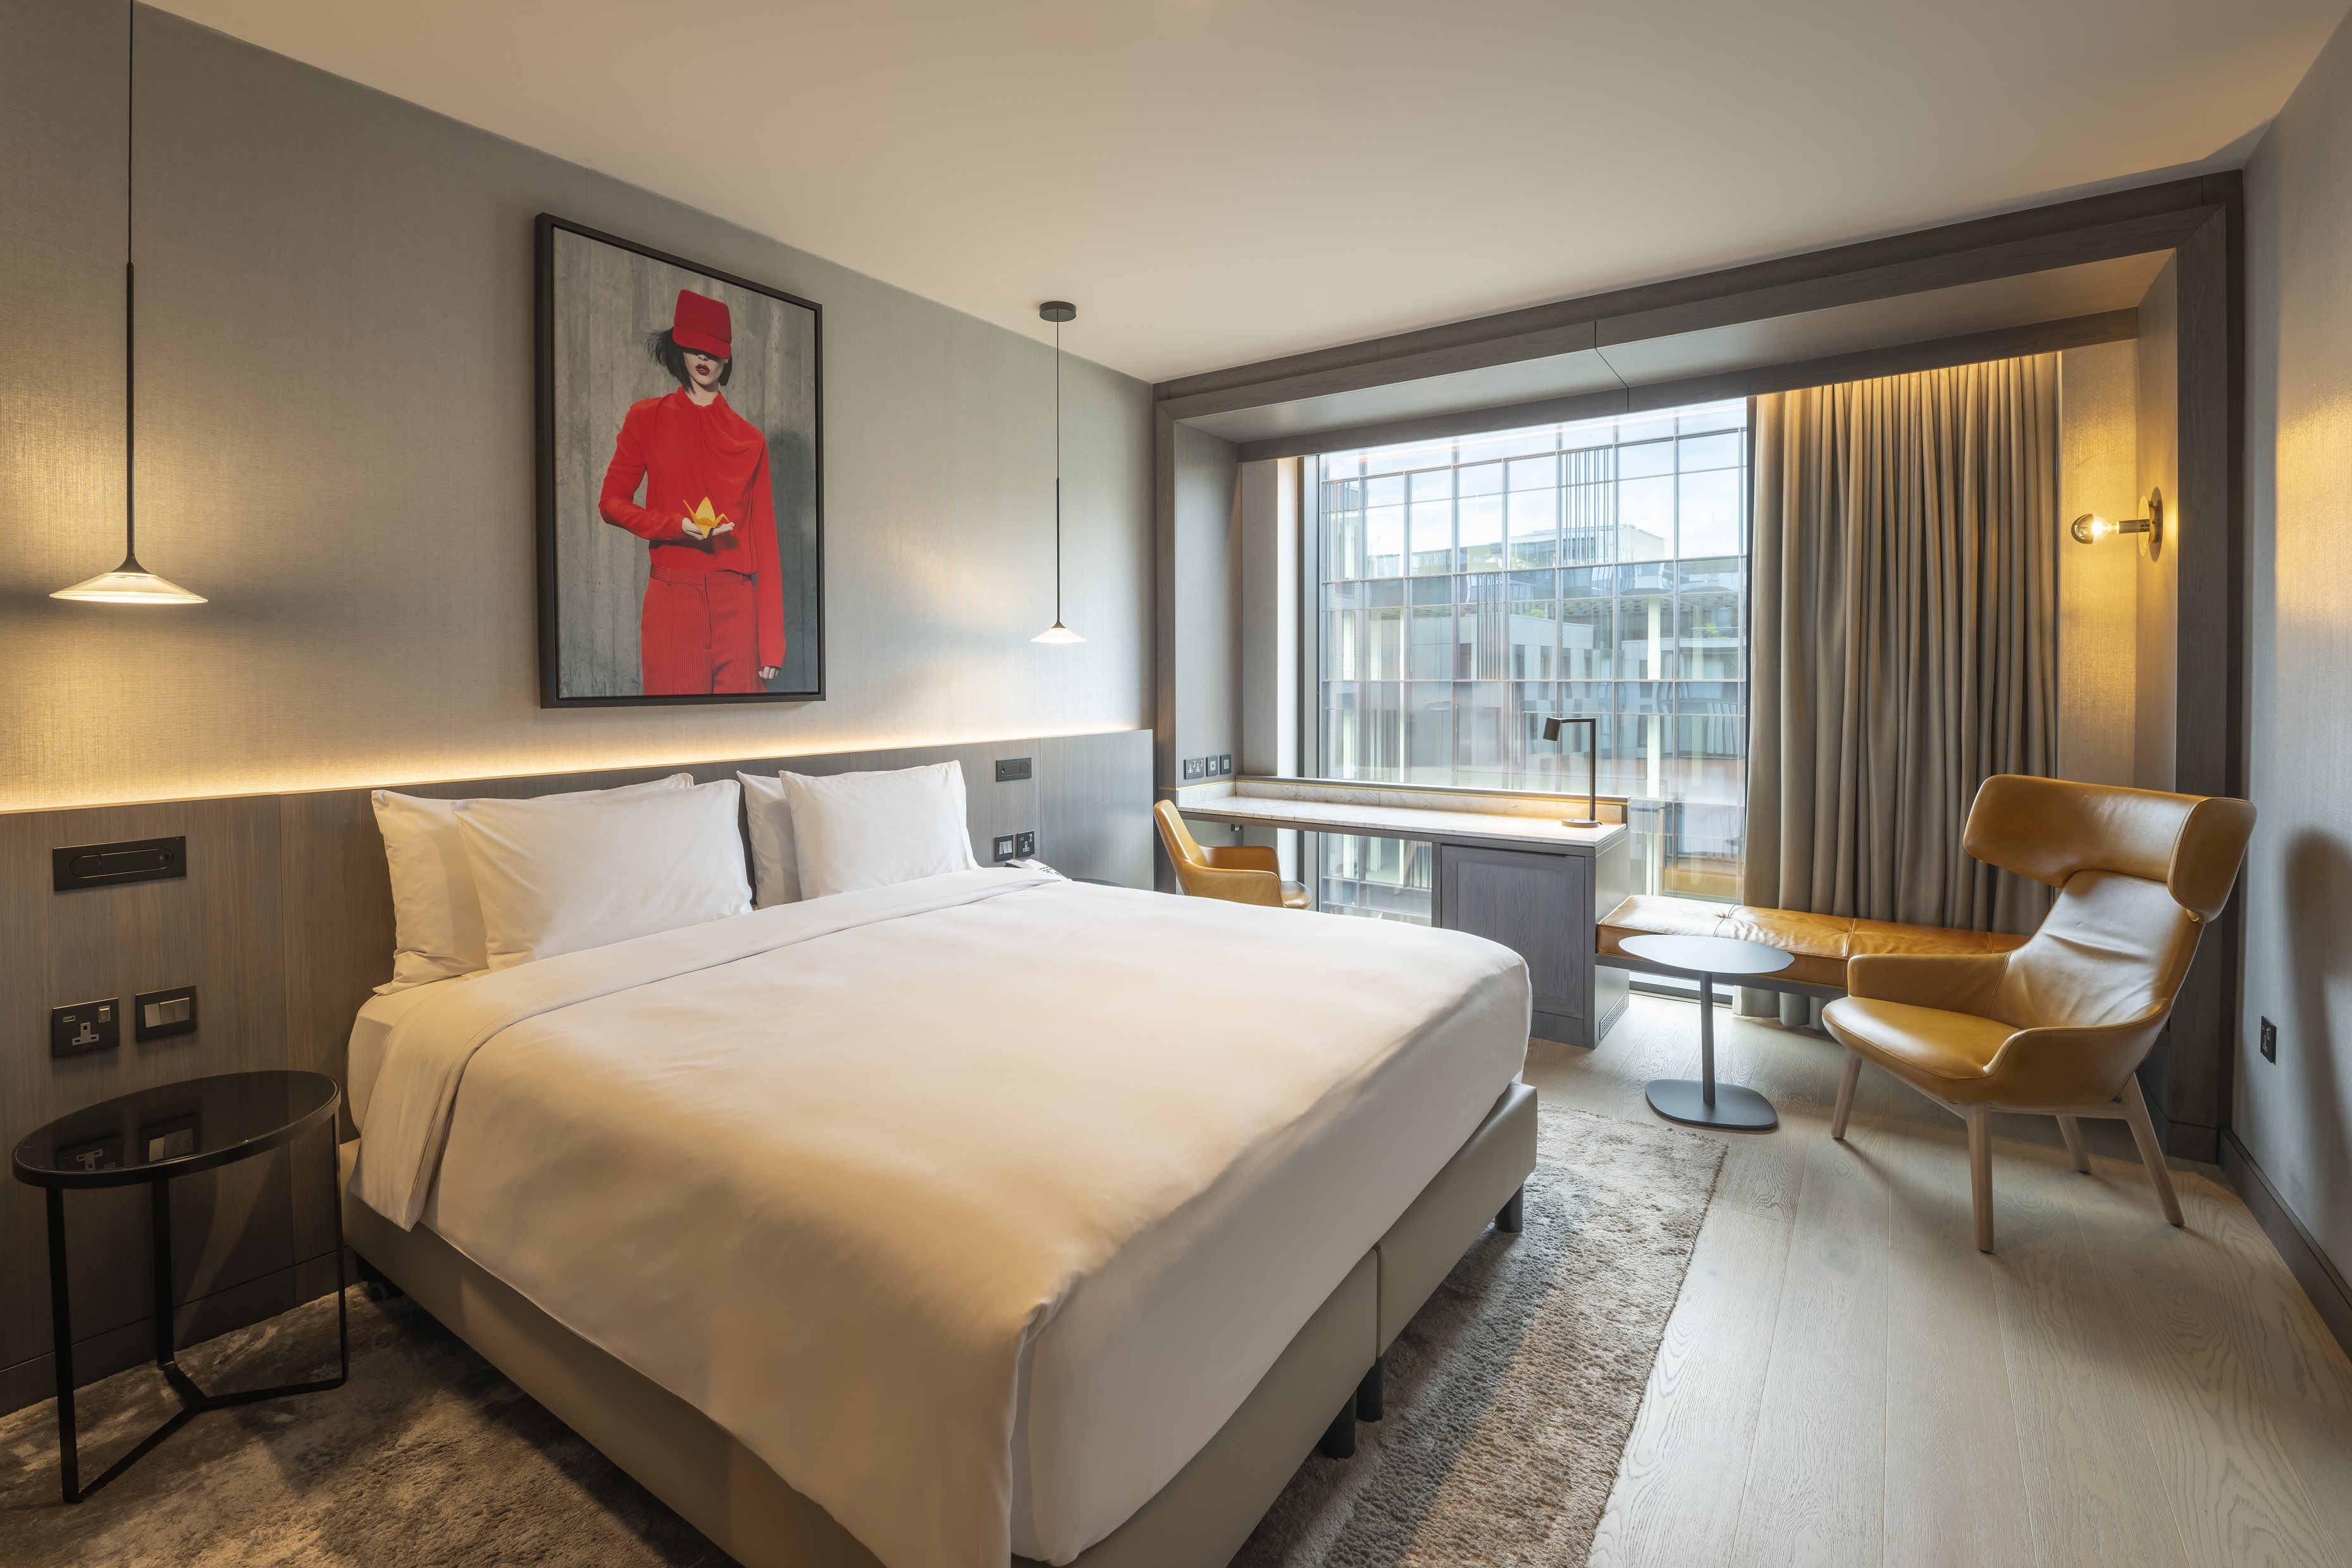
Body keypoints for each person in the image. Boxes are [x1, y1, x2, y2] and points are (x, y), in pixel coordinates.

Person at [597, 288, 784, 694]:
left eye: (714, 352)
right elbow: (611, 504)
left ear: (727, 357)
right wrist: (673, 525)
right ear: (678, 349)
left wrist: (771, 642)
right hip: (672, 598)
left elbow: (765, 539)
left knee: (742, 738)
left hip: (737, 601)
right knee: (673, 737)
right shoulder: (646, 418)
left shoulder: (751, 440)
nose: (704, 360)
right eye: (694, 348)